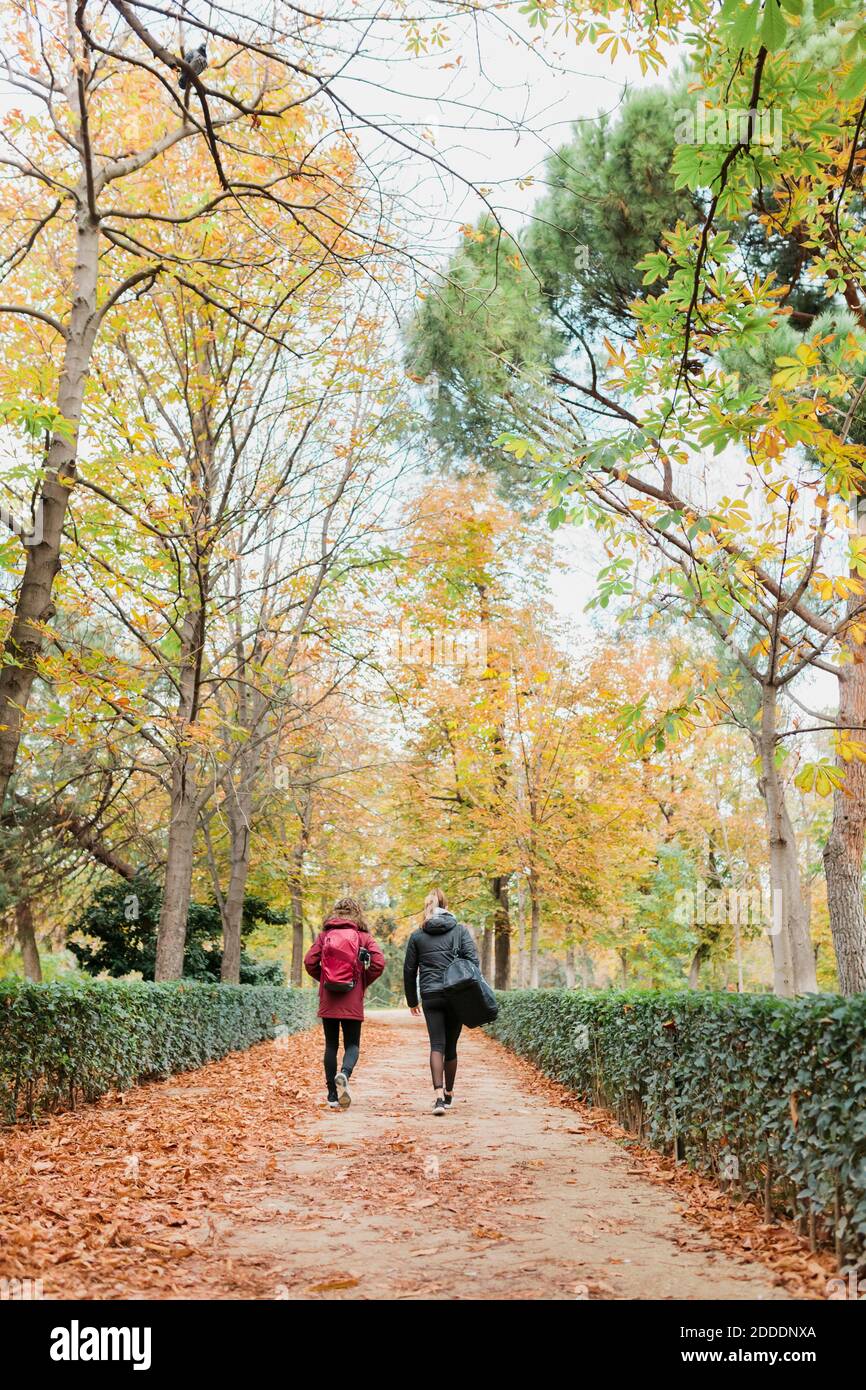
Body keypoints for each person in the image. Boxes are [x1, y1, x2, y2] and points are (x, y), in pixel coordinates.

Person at [403, 888, 479, 1115]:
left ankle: (437, 1097)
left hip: (430, 995)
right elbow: (473, 961)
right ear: (445, 906)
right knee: (451, 1046)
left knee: (437, 1044)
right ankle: (448, 1095)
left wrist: (411, 1000)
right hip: (456, 995)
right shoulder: (460, 931)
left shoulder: (417, 935)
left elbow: (409, 970)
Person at [304, 897, 384, 1110]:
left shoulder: (325, 935)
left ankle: (331, 1095)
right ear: (358, 914)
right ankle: (345, 1073)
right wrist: (362, 980)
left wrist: (325, 979)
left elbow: (309, 962)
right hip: (353, 996)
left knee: (331, 1045)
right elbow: (379, 963)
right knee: (352, 1044)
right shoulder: (363, 937)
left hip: (329, 997)